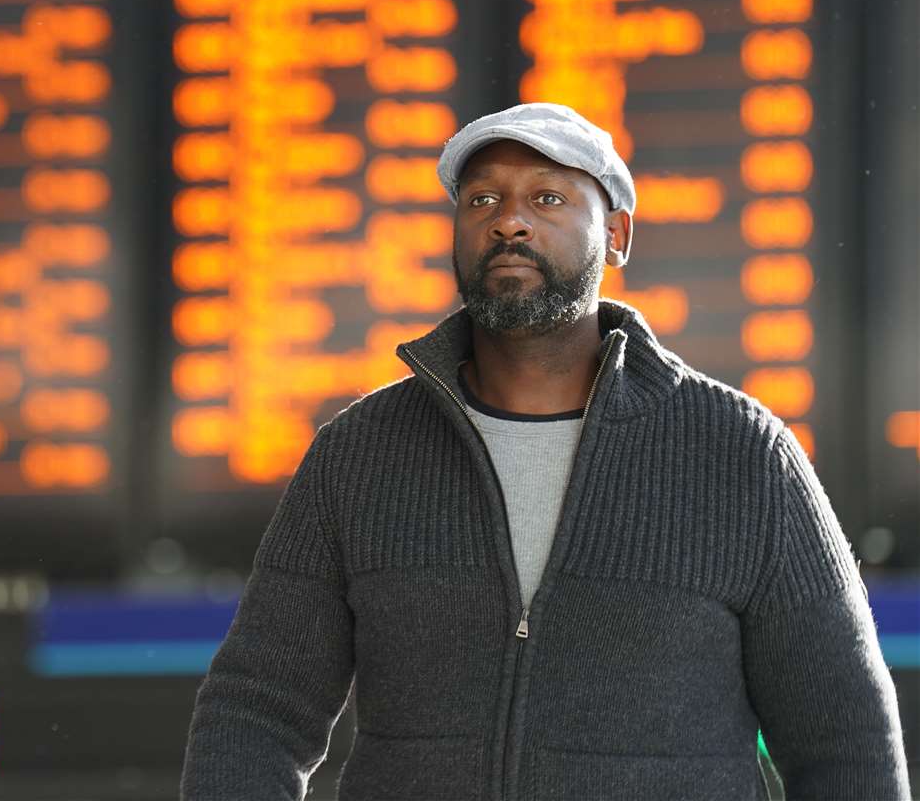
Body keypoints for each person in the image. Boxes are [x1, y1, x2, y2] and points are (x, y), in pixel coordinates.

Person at [180, 103, 908, 800]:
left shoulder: (742, 456)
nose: (510, 223)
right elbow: (256, 715)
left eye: (549, 199)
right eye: (482, 200)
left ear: (617, 235)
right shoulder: (360, 456)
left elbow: (844, 745)